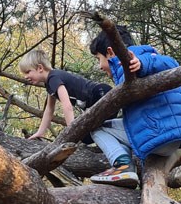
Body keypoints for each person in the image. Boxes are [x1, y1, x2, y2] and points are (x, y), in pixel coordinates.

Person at [20, 49, 139, 187]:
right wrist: (40, 132)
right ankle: (125, 152)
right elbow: (49, 109)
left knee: (90, 132)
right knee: (88, 137)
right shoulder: (50, 83)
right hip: (102, 93)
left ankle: (123, 163)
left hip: (99, 94)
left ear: (40, 68)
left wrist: (72, 130)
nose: (26, 77)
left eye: (28, 72)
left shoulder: (53, 78)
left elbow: (67, 106)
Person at [88, 26, 181, 166]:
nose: (100, 66)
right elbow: (170, 63)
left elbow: (166, 63)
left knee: (96, 129)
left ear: (110, 52)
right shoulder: (153, 56)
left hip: (158, 135)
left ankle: (123, 165)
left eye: (98, 58)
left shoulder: (130, 63)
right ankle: (125, 167)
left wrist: (141, 64)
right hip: (177, 136)